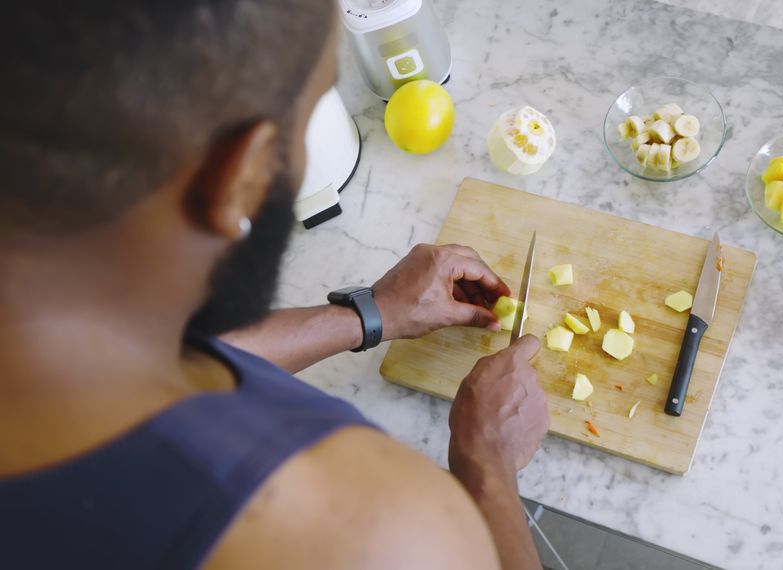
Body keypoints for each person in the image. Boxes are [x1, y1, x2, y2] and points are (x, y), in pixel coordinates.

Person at [0, 1, 551, 568]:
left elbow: (170, 360)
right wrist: (488, 464)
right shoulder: (374, 528)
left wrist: (370, 312)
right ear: (242, 174)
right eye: (312, 112)